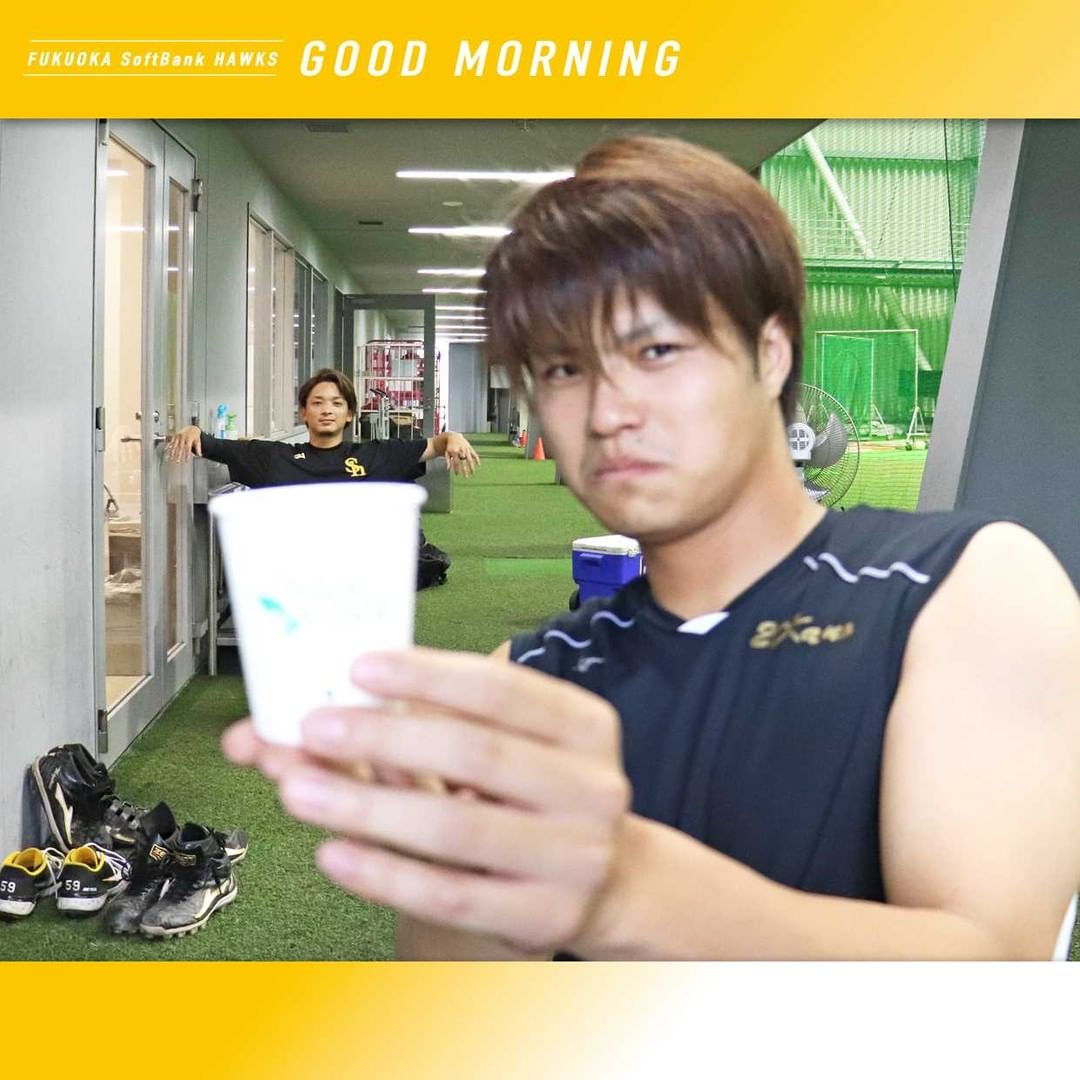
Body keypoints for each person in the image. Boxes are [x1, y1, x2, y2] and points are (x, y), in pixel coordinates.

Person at [223, 136, 1080, 960]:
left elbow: (994, 972)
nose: (607, 412)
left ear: (771, 352)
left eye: (657, 350)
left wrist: (625, 893)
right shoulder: (532, 679)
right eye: (563, 370)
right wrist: (453, 856)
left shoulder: (961, 588)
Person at [168, 367, 479, 484]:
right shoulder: (276, 458)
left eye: (336, 403)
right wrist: (193, 431)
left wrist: (453, 437)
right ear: (304, 413)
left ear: (350, 414)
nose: (327, 410)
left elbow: (435, 445)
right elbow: (212, 444)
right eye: (317, 403)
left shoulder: (376, 456)